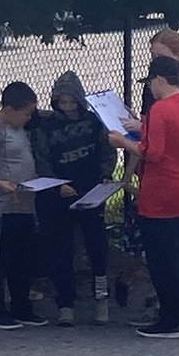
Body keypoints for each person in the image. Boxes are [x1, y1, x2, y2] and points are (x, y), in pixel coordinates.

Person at [109, 57, 179, 339]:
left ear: (159, 80)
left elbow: (153, 152)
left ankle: (170, 320)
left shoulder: (161, 110)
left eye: (150, 82)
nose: (150, 88)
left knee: (163, 258)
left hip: (160, 193)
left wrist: (123, 141)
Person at [33, 71, 118, 326]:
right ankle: (65, 303)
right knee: (61, 249)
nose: (68, 108)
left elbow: (107, 151)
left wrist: (105, 175)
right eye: (63, 103)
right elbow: (41, 159)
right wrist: (56, 185)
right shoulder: (47, 127)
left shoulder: (93, 123)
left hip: (91, 192)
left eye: (72, 102)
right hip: (60, 195)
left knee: (97, 248)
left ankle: (101, 299)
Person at [0, 81, 48, 329]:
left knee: (23, 259)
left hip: (25, 202)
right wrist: (0, 183)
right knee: (1, 258)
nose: (28, 118)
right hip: (5, 204)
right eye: (25, 113)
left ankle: (21, 305)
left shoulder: (20, 129)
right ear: (10, 109)